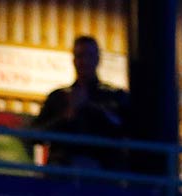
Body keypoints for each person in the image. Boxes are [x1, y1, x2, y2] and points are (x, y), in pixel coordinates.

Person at [32, 35, 129, 171]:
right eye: (80, 56)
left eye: (89, 56)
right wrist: (66, 116)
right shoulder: (58, 97)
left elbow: (125, 131)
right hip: (62, 172)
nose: (84, 61)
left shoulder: (114, 97)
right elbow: (35, 135)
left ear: (98, 59)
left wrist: (90, 107)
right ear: (74, 60)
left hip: (102, 173)